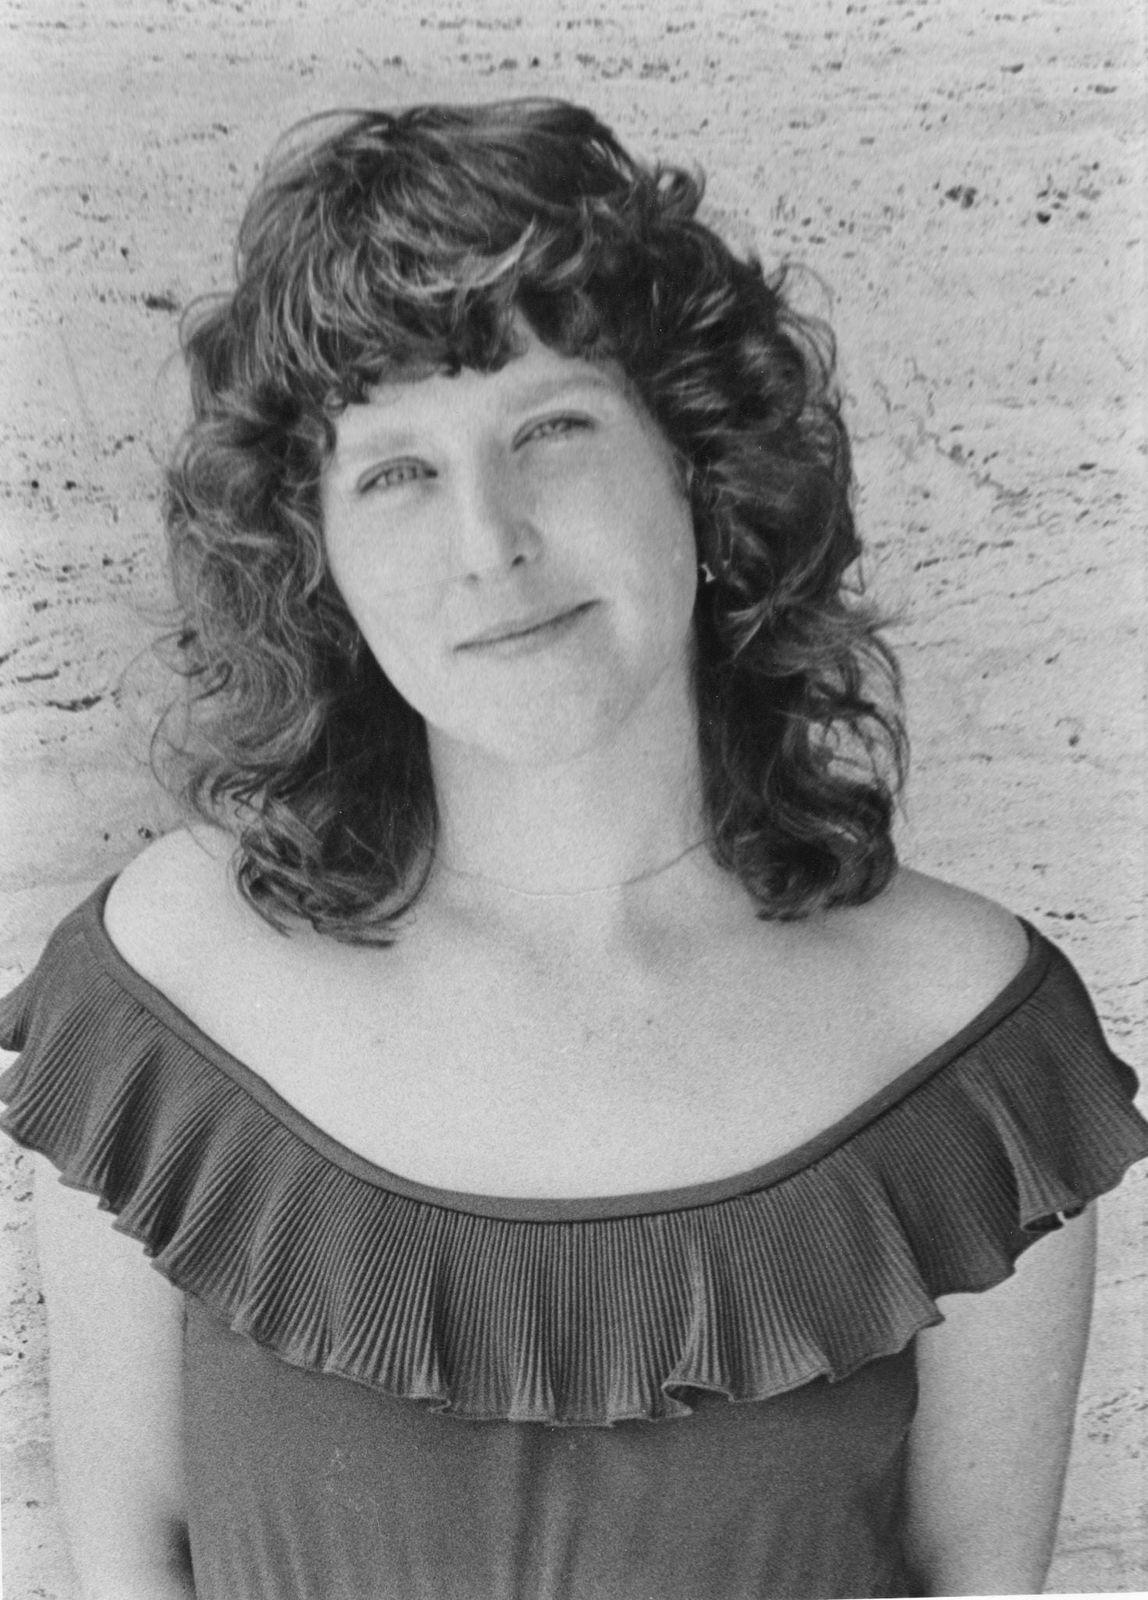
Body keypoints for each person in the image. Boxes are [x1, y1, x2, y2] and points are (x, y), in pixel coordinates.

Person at [1, 99, 1145, 1600]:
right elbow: (121, 1563)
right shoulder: (164, 998)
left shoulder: (970, 1052)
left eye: (550, 429)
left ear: (697, 467)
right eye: (395, 473)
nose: (491, 540)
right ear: (316, 559)